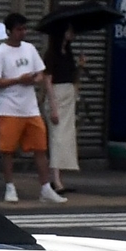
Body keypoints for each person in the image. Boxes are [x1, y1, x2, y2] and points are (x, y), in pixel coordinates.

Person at [0, 13, 64, 203]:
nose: (22, 33)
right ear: (9, 31)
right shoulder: (0, 52)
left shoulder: (30, 49)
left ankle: (46, 188)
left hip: (30, 107)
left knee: (40, 147)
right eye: (18, 29)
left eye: (24, 29)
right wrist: (18, 80)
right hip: (8, 108)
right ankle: (9, 187)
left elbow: (41, 73)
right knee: (8, 150)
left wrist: (34, 79)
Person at [47, 23, 81, 184]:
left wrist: (80, 66)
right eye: (69, 29)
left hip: (68, 95)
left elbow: (74, 78)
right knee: (57, 137)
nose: (72, 33)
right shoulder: (51, 54)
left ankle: (58, 177)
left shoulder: (68, 52)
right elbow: (47, 80)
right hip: (57, 96)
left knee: (66, 137)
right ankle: (55, 178)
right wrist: (53, 106)